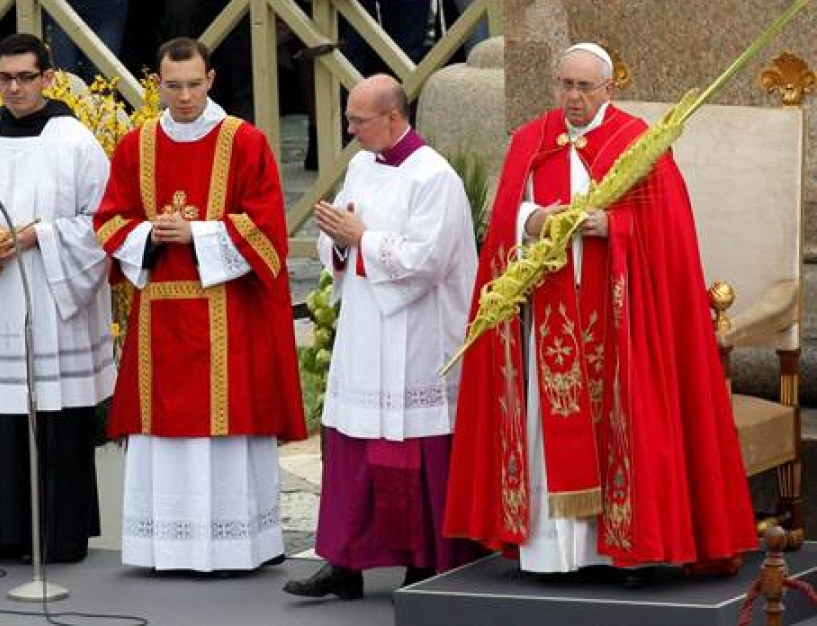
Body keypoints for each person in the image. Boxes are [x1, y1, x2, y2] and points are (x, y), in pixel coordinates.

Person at [443, 43, 758, 583]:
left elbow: (673, 233)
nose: (572, 96)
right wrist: (535, 221)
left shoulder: (637, 144)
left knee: (623, 428)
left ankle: (626, 550)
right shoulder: (531, 140)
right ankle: (553, 552)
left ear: (609, 90)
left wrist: (615, 228)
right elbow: (504, 220)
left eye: (584, 87)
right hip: (549, 316)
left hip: (620, 321)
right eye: (564, 84)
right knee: (550, 426)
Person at [93, 37, 306, 573]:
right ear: (157, 83)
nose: (184, 97)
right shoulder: (136, 145)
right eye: (172, 86)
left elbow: (268, 232)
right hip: (158, 318)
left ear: (210, 79)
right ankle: (163, 548)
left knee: (222, 438)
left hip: (226, 316)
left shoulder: (245, 141)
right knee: (164, 436)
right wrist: (149, 233)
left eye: (193, 84)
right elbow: (109, 222)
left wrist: (197, 233)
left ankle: (237, 547)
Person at [283, 74, 480, 600]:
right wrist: (340, 244)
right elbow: (339, 245)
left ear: (393, 118)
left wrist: (361, 239)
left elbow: (428, 260)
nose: (350, 129)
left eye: (357, 120)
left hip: (417, 333)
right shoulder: (362, 166)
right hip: (365, 329)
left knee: (413, 452)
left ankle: (425, 561)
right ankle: (344, 563)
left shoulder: (434, 177)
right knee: (353, 447)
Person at [0, 33, 115, 563]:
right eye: (4, 78)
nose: (14, 88)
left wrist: (35, 236)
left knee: (49, 410)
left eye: (25, 77)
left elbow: (101, 222)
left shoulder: (75, 142)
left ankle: (57, 535)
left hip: (48, 303)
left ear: (48, 77)